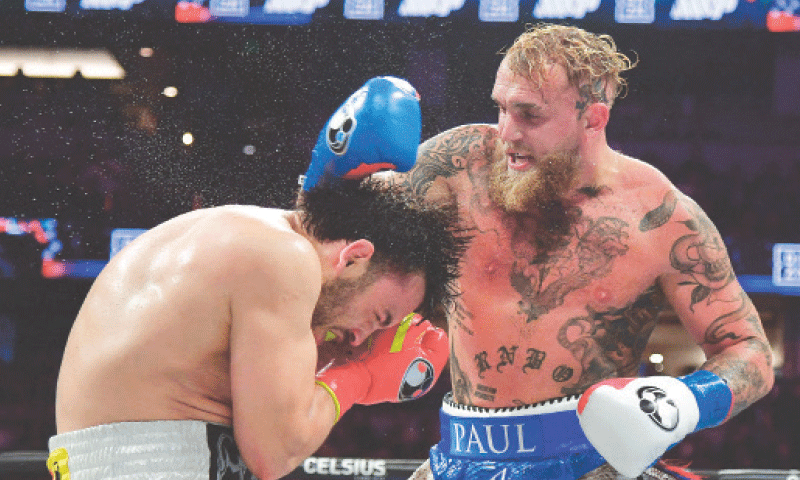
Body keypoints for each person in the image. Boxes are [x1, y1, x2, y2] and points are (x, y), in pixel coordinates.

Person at [370, 23, 774, 480]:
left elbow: (749, 351)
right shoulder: (460, 166)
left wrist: (683, 402)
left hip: (592, 466)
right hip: (459, 459)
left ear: (593, 119)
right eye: (501, 108)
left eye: (529, 115)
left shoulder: (659, 216)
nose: (506, 133)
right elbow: (347, 231)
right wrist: (338, 174)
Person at [48, 78, 466, 480]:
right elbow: (275, 452)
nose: (360, 339)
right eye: (378, 316)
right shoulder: (286, 259)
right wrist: (361, 375)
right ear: (355, 257)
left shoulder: (251, 236)